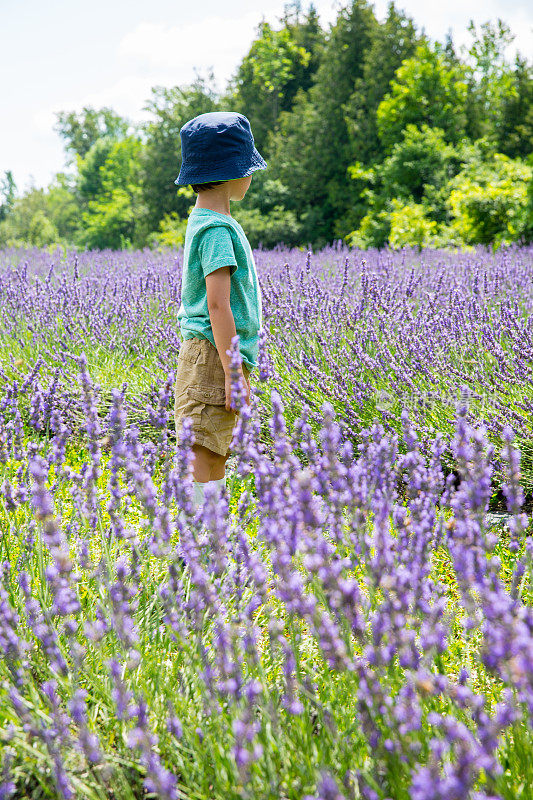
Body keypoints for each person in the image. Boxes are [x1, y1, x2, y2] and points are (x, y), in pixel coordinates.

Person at [173, 111, 267, 510]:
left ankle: (211, 542)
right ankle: (201, 544)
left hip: (214, 353)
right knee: (204, 451)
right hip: (215, 355)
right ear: (233, 173)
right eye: (248, 167)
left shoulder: (206, 220)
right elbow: (217, 303)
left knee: (213, 451)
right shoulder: (216, 230)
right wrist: (232, 371)